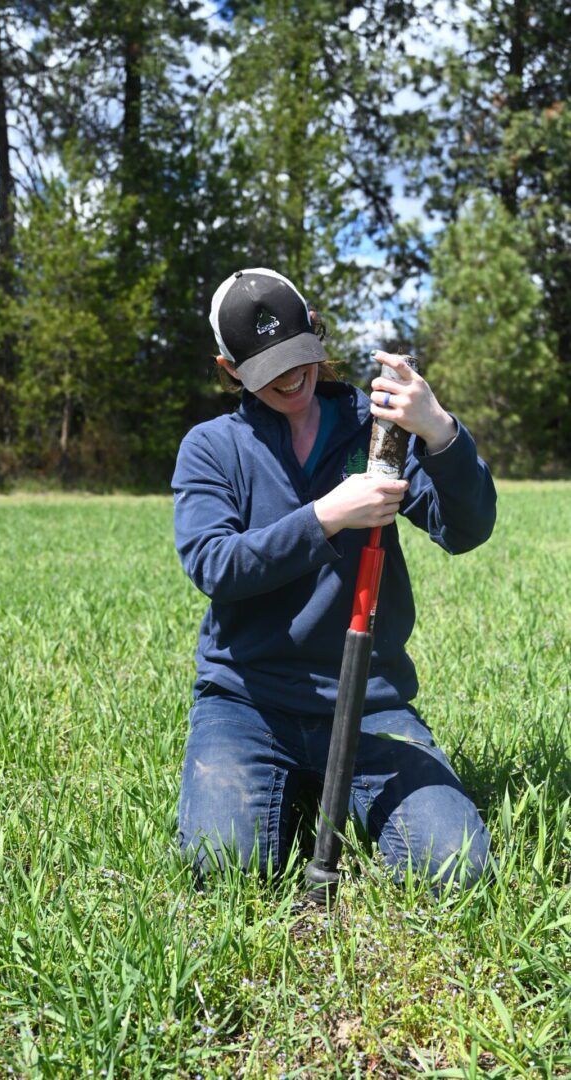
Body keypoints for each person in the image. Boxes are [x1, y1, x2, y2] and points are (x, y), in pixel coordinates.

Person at [172, 267, 495, 888]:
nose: (293, 377)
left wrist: (439, 430)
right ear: (230, 367)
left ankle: (331, 787)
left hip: (369, 701)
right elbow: (215, 564)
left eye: (300, 356)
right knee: (223, 869)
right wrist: (326, 517)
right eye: (268, 369)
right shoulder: (212, 447)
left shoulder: (376, 429)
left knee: (458, 871)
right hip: (248, 699)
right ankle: (283, 788)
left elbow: (467, 529)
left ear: (316, 332)